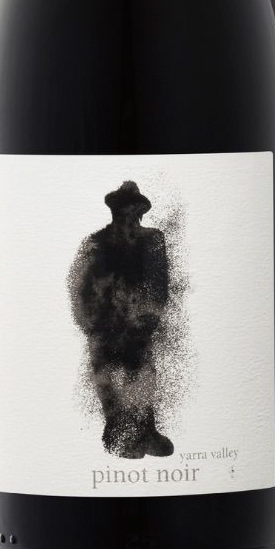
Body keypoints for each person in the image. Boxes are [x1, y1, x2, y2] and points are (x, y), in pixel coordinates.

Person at [69, 180, 174, 458]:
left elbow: (159, 284)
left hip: (139, 325)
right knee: (108, 381)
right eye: (122, 207)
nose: (128, 213)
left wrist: (149, 317)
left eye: (133, 208)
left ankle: (146, 433)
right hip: (105, 327)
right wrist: (94, 325)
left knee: (143, 377)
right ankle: (117, 437)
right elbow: (81, 288)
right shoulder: (96, 242)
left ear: (140, 211)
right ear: (113, 210)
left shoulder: (153, 239)